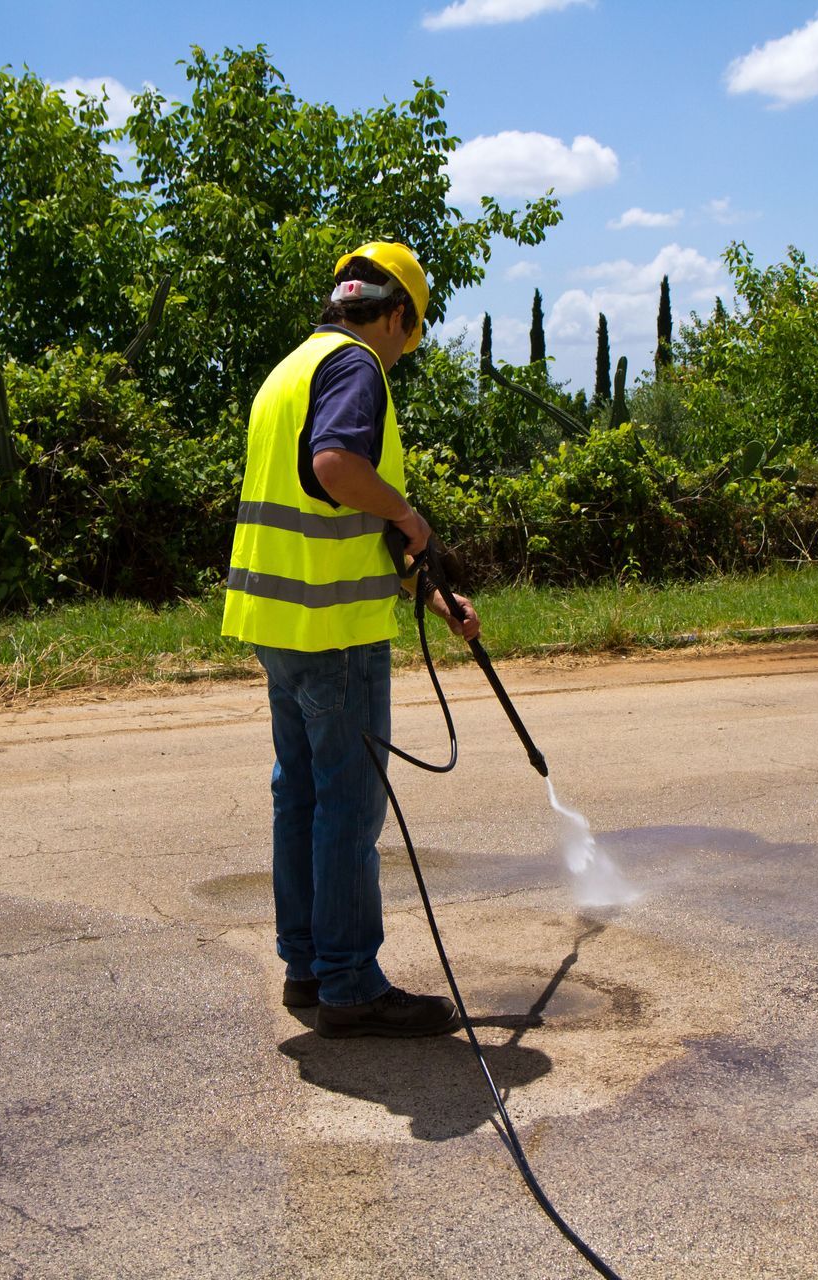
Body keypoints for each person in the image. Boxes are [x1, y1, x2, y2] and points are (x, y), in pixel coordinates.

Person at [222, 242, 481, 1039]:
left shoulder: (289, 370)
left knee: (298, 794)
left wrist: (426, 589)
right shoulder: (356, 367)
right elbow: (336, 469)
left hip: (280, 624)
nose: (403, 352)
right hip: (335, 633)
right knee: (348, 805)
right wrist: (408, 516)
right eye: (411, 334)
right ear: (397, 314)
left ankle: (307, 965)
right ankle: (350, 983)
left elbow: (325, 510)